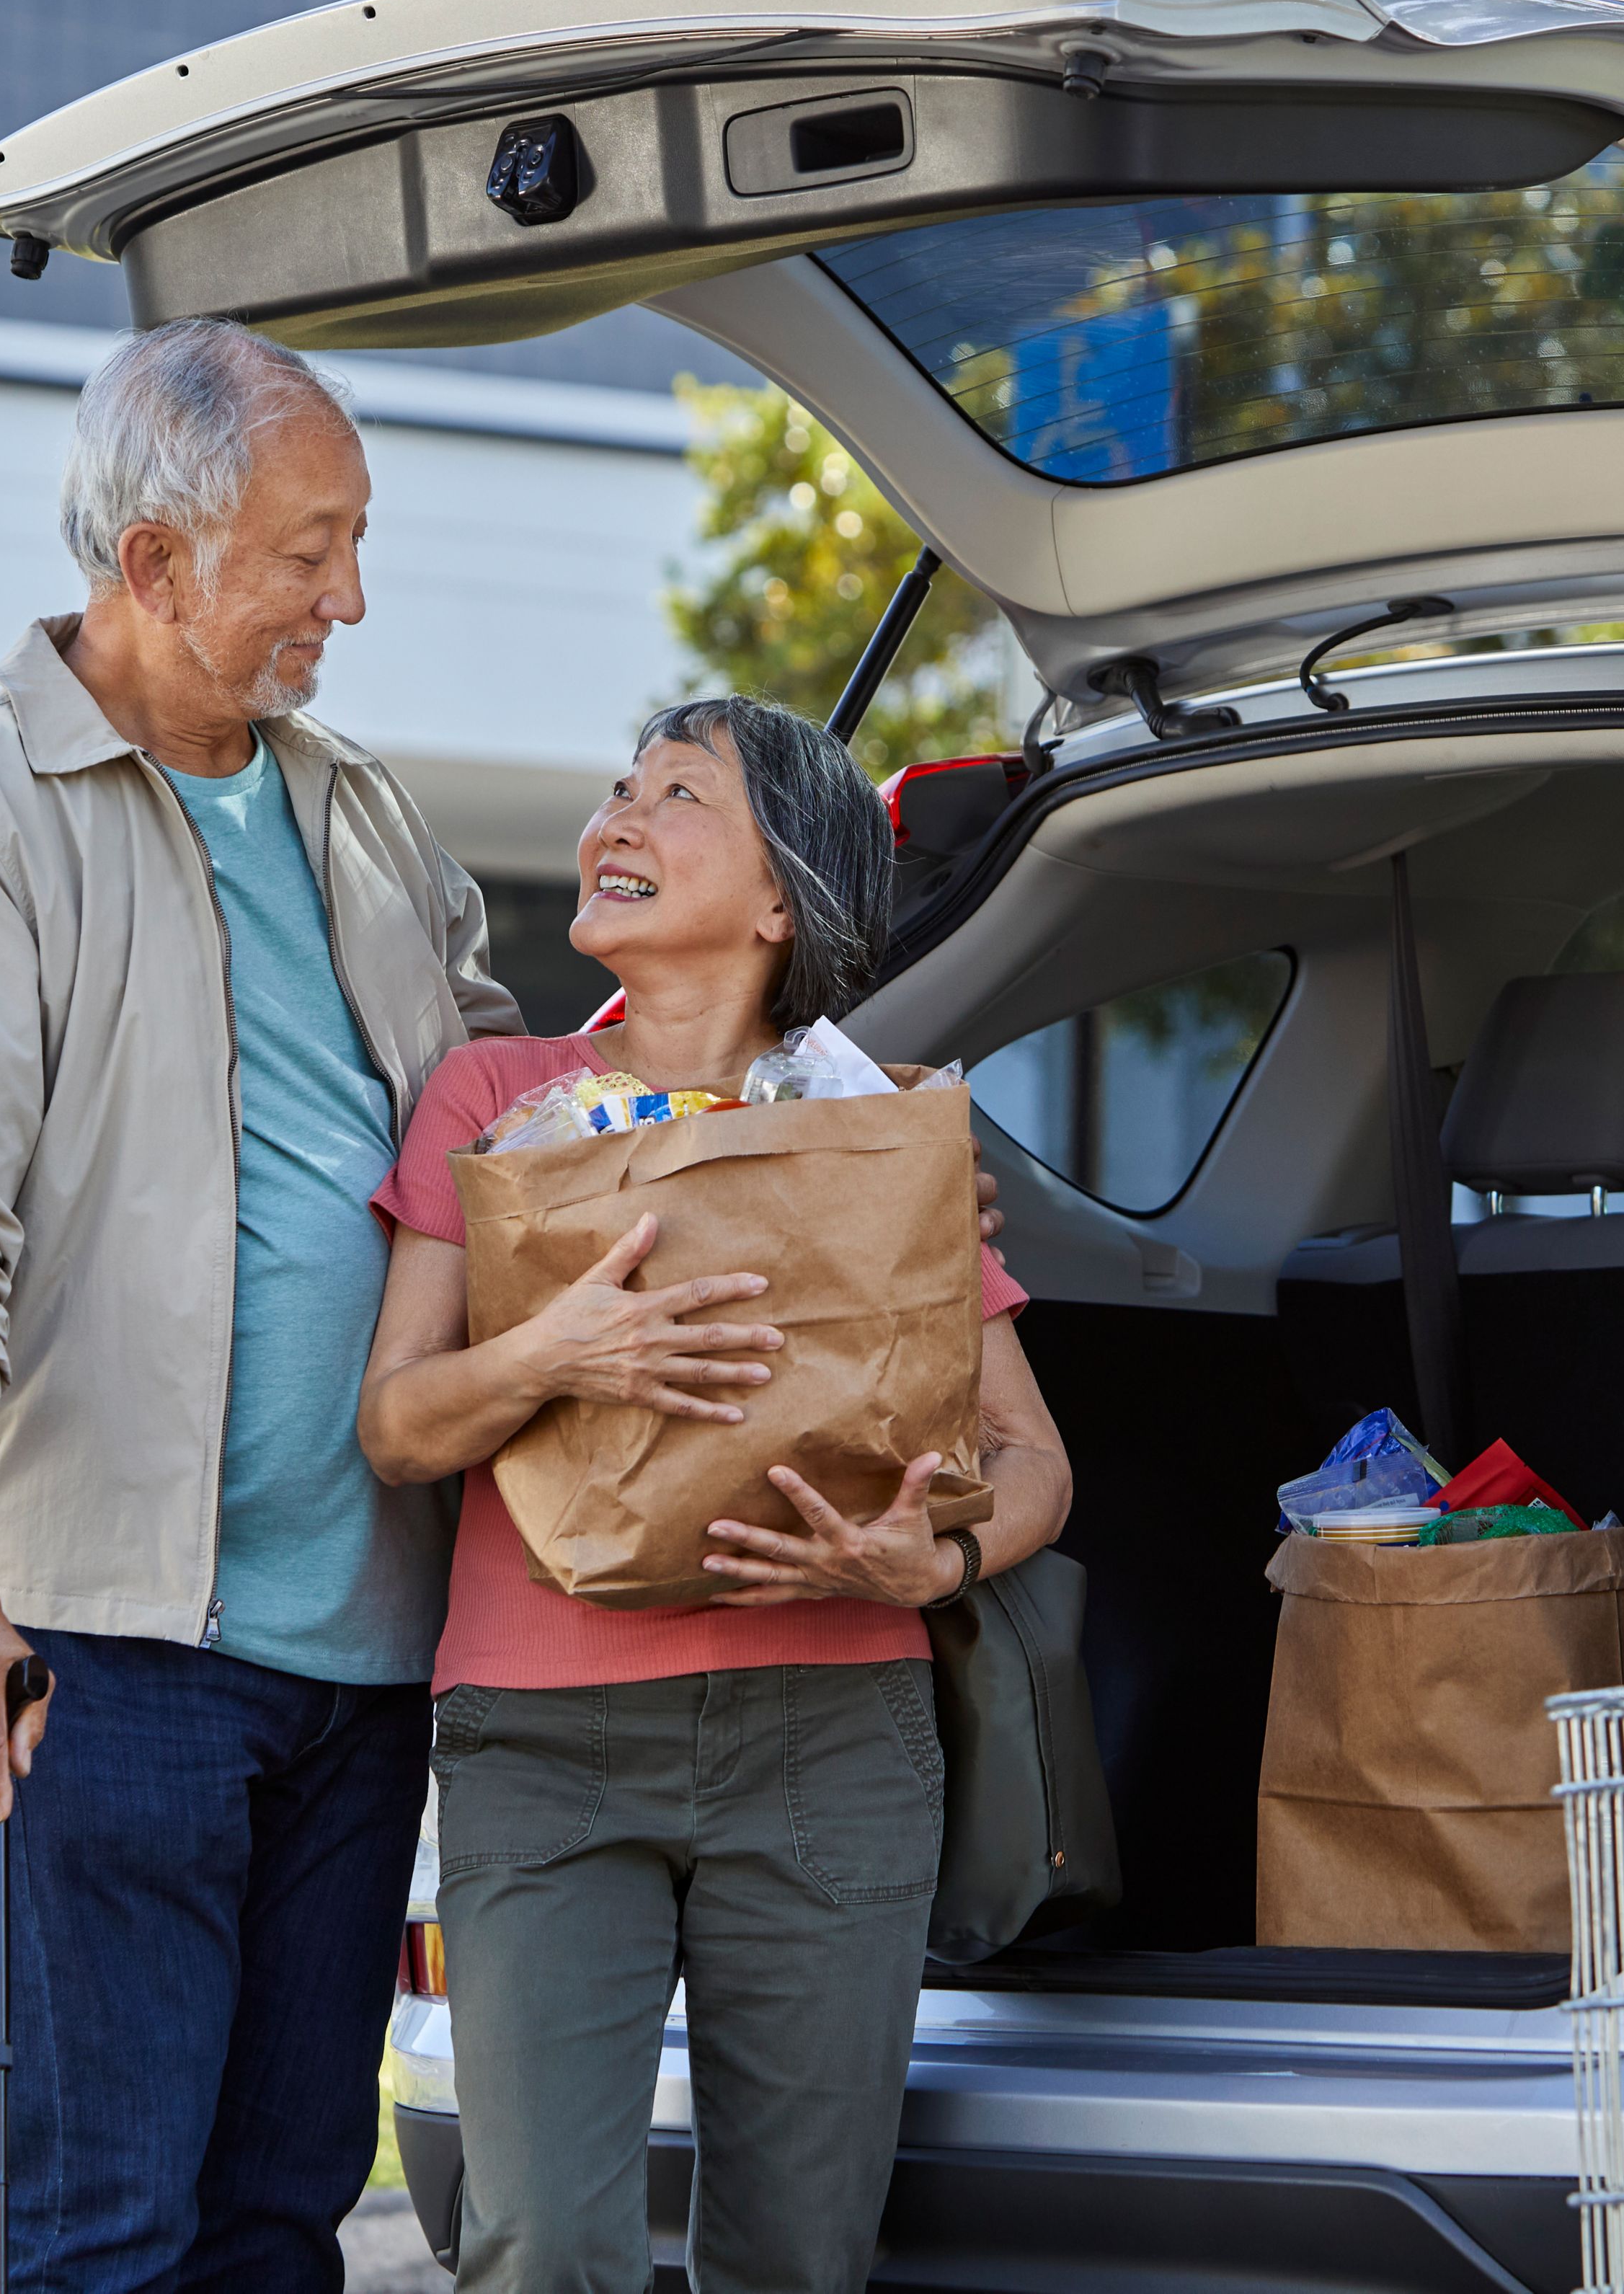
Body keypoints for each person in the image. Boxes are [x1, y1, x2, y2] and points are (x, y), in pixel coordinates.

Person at [0, 317, 523, 2293]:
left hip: (366, 1651)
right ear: (153, 562)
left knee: (279, 2225)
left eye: (355, 542)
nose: (349, 599)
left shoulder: (358, 812)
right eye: (310, 550)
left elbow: (496, 1123)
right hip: (100, 1652)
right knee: (103, 2233)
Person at [359, 695, 1075, 2294]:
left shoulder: (871, 1128)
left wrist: (931, 1558)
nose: (616, 816)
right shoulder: (496, 1100)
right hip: (538, 1746)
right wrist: (556, 1346)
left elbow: (1034, 1462)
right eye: (618, 785)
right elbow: (400, 1424)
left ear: (778, 901)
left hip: (829, 1737)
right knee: (540, 2244)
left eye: (676, 793)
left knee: (798, 2255)